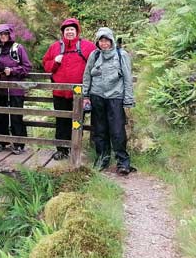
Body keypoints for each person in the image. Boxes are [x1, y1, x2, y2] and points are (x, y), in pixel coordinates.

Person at [83, 27, 135, 174]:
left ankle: (123, 163)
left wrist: (128, 99)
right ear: (97, 41)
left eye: (106, 40)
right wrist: (85, 96)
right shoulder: (94, 55)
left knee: (117, 130)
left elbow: (127, 78)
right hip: (96, 96)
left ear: (111, 40)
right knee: (99, 130)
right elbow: (87, 76)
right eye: (101, 40)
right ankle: (102, 159)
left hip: (115, 97)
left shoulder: (121, 55)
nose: (104, 43)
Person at [43, 18, 96, 160]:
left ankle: (75, 148)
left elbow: (97, 64)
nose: (69, 32)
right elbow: (46, 65)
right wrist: (55, 62)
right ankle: (61, 149)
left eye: (72, 29)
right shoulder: (55, 47)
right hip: (59, 91)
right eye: (67, 30)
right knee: (61, 120)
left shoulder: (88, 47)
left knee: (77, 121)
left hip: (79, 93)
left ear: (77, 31)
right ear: (63, 32)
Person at [0, 24, 32, 154]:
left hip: (16, 89)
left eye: (5, 34)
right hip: (1, 89)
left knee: (16, 116)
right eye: (0, 34)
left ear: (10, 34)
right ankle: (0, 142)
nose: (3, 36)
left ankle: (19, 144)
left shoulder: (18, 48)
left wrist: (13, 71)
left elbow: (27, 67)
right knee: (0, 116)